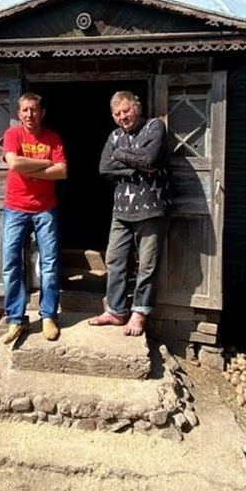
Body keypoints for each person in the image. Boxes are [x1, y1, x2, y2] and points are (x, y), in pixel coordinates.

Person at [89, 91, 169, 336]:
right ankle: (116, 310)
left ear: (137, 108)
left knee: (147, 264)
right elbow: (104, 167)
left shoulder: (155, 127)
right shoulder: (114, 135)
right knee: (114, 259)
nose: (122, 117)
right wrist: (135, 166)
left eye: (126, 111)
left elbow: (150, 159)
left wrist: (120, 155)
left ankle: (139, 313)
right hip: (121, 210)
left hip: (152, 207)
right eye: (117, 114)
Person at [0, 92, 67, 344]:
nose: (30, 114)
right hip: (15, 207)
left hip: (45, 208)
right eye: (25, 110)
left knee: (49, 263)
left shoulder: (53, 137)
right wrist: (43, 163)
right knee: (11, 263)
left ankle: (49, 315)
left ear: (42, 112)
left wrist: (29, 165)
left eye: (34, 110)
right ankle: (15, 319)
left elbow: (62, 172)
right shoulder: (12, 135)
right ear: (19, 113)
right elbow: (14, 164)